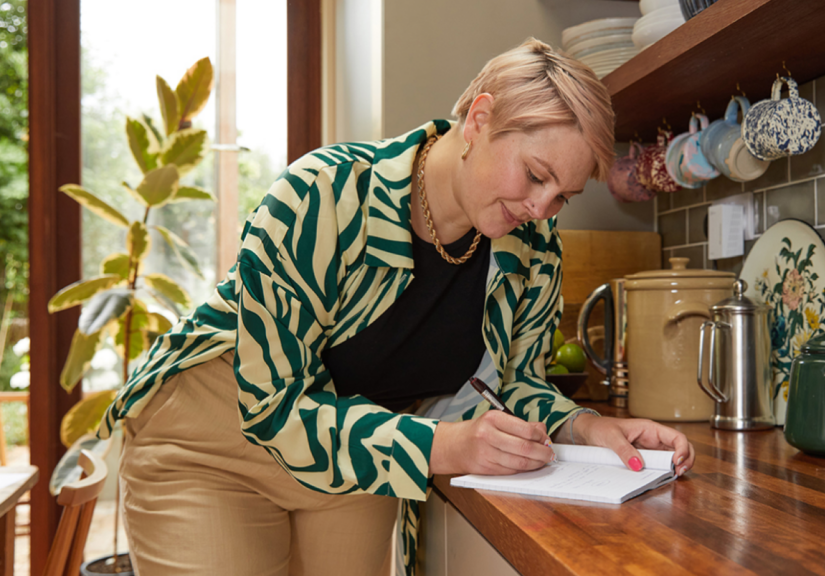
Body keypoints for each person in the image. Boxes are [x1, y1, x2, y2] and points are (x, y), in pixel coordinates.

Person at [100, 37, 696, 576]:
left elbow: (512, 384)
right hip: (216, 441)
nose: (542, 208)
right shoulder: (319, 196)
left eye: (562, 195)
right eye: (535, 175)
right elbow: (272, 410)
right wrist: (445, 446)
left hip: (358, 453)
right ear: (480, 120)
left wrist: (588, 427)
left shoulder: (534, 246)